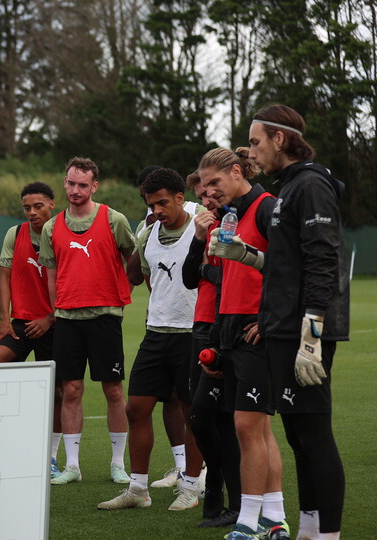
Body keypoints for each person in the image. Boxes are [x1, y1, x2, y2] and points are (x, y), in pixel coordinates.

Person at [219, 104, 349, 540]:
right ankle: (309, 528)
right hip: (280, 331)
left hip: (302, 334)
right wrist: (247, 255)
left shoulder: (311, 184)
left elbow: (322, 260)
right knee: (297, 437)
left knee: (314, 436)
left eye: (255, 142)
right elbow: (285, 262)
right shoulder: (289, 188)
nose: (250, 152)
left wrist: (311, 336)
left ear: (279, 139)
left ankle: (327, 534)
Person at [198, 146, 290, 539]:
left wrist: (269, 322)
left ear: (237, 172)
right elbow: (227, 283)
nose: (209, 192)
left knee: (247, 428)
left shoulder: (268, 207)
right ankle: (274, 518)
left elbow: (290, 270)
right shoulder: (227, 217)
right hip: (232, 333)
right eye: (203, 186)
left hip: (258, 332)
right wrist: (219, 341)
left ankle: (248, 523)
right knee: (259, 431)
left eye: (215, 182)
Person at [98, 167, 200, 511]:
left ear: (180, 198)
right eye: (151, 204)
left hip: (193, 334)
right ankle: (138, 489)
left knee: (192, 412)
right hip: (156, 333)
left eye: (162, 203)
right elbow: (134, 275)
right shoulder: (147, 234)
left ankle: (190, 486)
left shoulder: (202, 228)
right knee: (136, 407)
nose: (157, 210)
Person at [39, 157, 134, 486]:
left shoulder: (114, 219)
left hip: (105, 317)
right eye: (70, 183)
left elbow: (133, 261)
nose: (75, 190)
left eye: (83, 185)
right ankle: (72, 466)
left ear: (94, 186)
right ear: (64, 183)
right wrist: (56, 309)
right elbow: (51, 276)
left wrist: (121, 296)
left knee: (113, 391)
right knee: (71, 391)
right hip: (67, 319)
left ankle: (118, 464)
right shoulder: (52, 227)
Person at [180, 171, 242, 528]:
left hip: (225, 326)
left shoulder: (239, 222)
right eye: (201, 196)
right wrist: (199, 239)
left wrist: (209, 269)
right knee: (203, 418)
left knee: (218, 419)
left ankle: (234, 503)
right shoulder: (207, 226)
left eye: (209, 193)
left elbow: (234, 275)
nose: (206, 201)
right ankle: (217, 490)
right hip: (201, 326)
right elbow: (191, 277)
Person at [0, 181, 63, 478]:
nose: (32, 212)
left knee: (59, 391)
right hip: (20, 322)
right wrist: (5, 319)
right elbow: (4, 277)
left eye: (38, 206)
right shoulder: (15, 233)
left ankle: (53, 458)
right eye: (27, 207)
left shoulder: (62, 232)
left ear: (51, 205)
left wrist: (50, 317)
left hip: (55, 322)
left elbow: (70, 281)